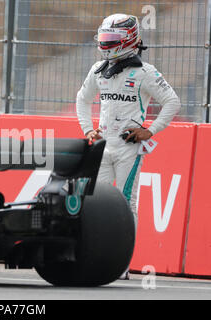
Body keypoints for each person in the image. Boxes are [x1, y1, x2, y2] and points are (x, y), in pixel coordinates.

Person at [76, 14, 181, 279]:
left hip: (128, 150)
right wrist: (88, 129)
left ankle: (120, 264)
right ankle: (93, 256)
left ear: (129, 40)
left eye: (112, 40)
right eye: (103, 38)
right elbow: (82, 99)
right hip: (102, 146)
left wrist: (149, 131)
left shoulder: (145, 73)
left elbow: (172, 102)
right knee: (94, 202)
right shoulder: (97, 70)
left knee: (125, 204)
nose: (106, 44)